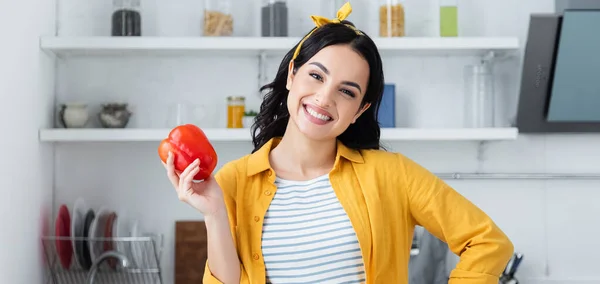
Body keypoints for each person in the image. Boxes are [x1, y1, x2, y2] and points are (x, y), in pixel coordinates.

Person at [163, 2, 514, 284]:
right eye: (316, 75)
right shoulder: (233, 181)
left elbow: (488, 242)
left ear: (359, 110)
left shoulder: (394, 175)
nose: (323, 98)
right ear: (292, 75)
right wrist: (213, 213)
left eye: (346, 91)